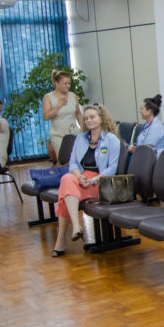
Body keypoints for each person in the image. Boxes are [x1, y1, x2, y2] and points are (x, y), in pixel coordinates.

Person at [51, 104, 122, 257]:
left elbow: (112, 169)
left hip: (100, 181)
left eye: (92, 117)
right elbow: (73, 163)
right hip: (80, 178)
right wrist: (79, 176)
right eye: (86, 118)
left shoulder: (111, 139)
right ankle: (76, 226)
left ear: (101, 118)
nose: (89, 120)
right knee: (67, 179)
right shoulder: (81, 138)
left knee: (64, 194)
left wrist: (93, 180)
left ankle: (62, 240)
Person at [42, 69, 82, 163]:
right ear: (56, 83)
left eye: (69, 83)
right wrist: (58, 105)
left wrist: (84, 129)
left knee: (77, 159)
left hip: (73, 132)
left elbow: (78, 114)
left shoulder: (73, 96)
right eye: (65, 83)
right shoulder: (48, 97)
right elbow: (46, 116)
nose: (68, 86)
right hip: (58, 134)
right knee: (64, 160)